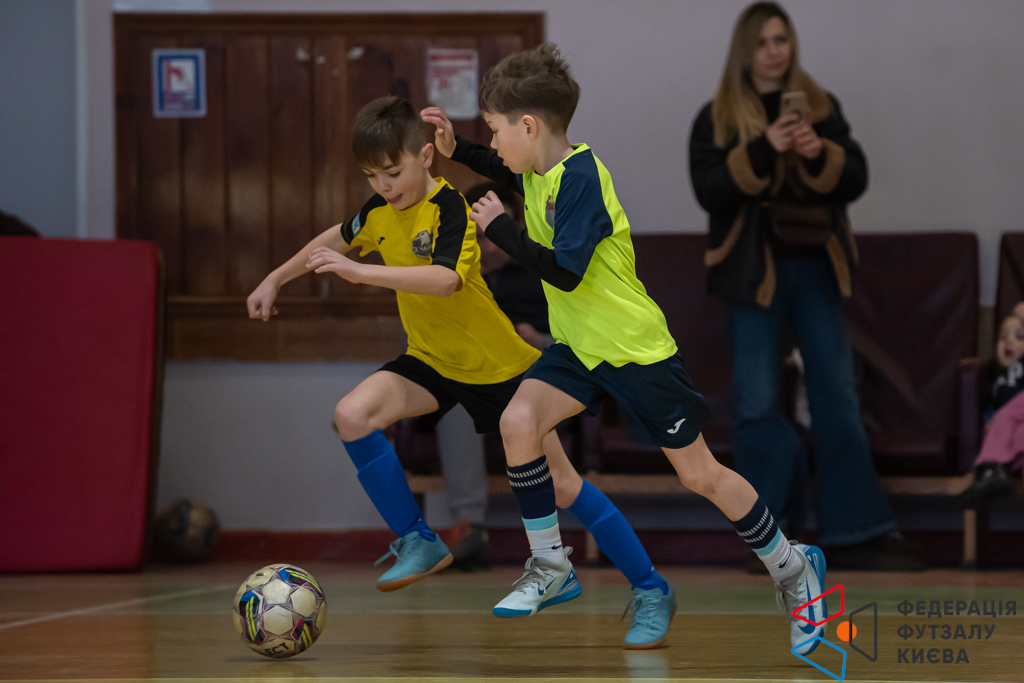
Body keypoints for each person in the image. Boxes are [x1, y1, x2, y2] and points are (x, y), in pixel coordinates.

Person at [423, 42, 828, 657]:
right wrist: (459, 150)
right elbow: (500, 167)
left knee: (700, 475)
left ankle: (793, 566)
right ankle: (550, 564)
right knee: (517, 421)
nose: (494, 143)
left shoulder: (582, 179)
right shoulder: (534, 170)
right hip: (579, 351)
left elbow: (565, 272)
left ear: (528, 127)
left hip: (636, 351)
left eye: (497, 130)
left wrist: (500, 229)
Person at [248, 96, 678, 649]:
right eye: (372, 176)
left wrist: (361, 273)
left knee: (565, 485)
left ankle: (651, 588)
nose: (383, 185)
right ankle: (418, 540)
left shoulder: (451, 208)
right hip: (431, 361)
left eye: (393, 172)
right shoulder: (377, 213)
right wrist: (276, 278)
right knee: (352, 415)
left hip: (501, 370)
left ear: (425, 156)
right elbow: (336, 235)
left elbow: (444, 280)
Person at [687, 2, 924, 571]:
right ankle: (769, 537)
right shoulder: (717, 116)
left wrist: (821, 153)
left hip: (817, 267)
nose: (775, 51)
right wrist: (766, 145)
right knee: (757, 401)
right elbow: (709, 190)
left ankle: (859, 531)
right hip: (752, 274)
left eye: (782, 39)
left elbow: (856, 177)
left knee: (836, 394)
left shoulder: (821, 106)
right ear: (746, 51)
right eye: (763, 42)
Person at [441, 182, 551, 572]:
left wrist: (541, 341)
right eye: (478, 238)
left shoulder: (543, 268)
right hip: (476, 379)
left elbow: (584, 342)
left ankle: (551, 544)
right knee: (455, 400)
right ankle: (471, 527)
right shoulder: (452, 278)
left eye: (495, 235)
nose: (488, 248)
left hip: (537, 377)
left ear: (515, 226)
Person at [958, 308, 1024, 507]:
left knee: (1004, 417)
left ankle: (989, 468)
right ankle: (992, 474)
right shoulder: (1000, 379)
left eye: (1019, 337)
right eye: (1003, 338)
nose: (1009, 342)